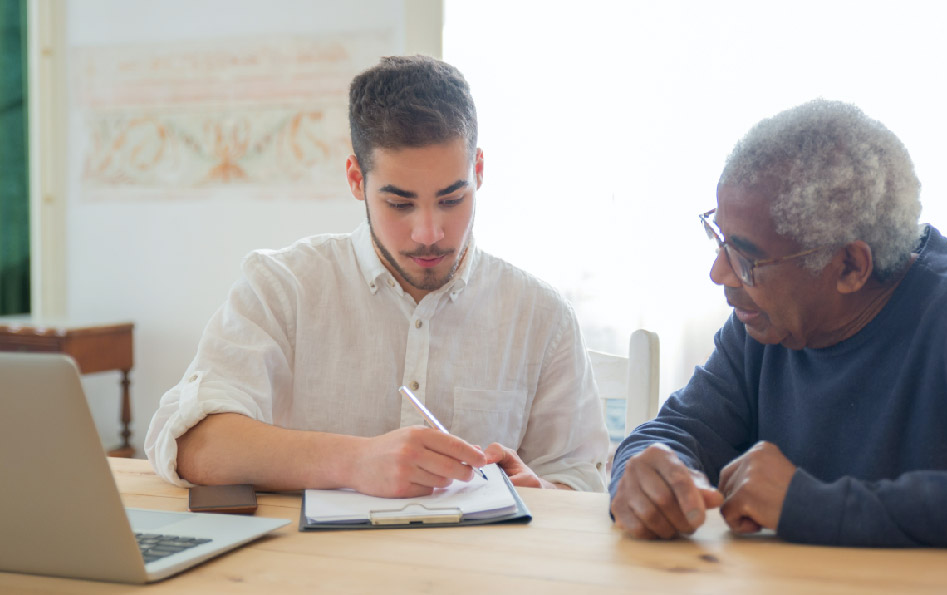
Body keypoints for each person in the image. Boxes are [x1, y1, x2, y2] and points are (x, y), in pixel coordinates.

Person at [145, 56, 609, 497]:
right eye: (399, 203)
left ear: (479, 171)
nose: (429, 233)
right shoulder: (282, 287)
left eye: (451, 199)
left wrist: (540, 491)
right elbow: (191, 443)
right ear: (355, 179)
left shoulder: (541, 315)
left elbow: (583, 480)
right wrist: (354, 461)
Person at [610, 99, 947, 547]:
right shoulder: (764, 325)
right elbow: (677, 431)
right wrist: (646, 470)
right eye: (718, 239)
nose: (719, 274)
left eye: (746, 257)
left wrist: (810, 505)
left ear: (851, 266)